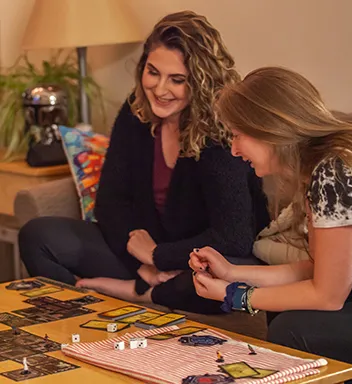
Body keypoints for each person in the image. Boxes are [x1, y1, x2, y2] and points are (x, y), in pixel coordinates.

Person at [19, 11, 269, 314]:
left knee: (213, 281)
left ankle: (141, 296)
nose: (160, 89)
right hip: (144, 257)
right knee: (38, 236)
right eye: (153, 72)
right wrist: (143, 266)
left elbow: (233, 237)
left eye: (177, 80)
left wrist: (158, 256)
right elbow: (111, 202)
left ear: (202, 83)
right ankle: (79, 326)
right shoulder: (136, 111)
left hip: (197, 262)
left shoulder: (219, 132)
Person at [189, 67, 352, 382]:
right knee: (284, 306)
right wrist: (231, 273)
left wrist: (235, 295)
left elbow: (328, 295)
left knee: (292, 330)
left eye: (238, 135)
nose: (235, 150)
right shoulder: (320, 166)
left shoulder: (335, 171)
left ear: (268, 127)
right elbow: (318, 270)